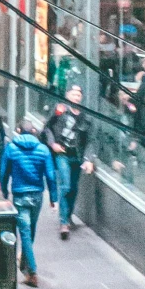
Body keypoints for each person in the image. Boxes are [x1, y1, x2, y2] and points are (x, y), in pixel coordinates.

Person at [0, 116, 57, 287]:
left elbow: (4, 173)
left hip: (19, 195)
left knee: (24, 232)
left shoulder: (11, 148)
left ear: (18, 131)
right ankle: (25, 263)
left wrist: (4, 191)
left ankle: (31, 272)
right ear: (33, 131)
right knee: (30, 231)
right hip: (37, 195)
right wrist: (53, 198)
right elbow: (51, 176)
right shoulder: (43, 150)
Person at [45, 84, 95, 237]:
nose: (76, 97)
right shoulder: (60, 110)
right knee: (65, 186)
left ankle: (68, 216)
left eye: (79, 95)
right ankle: (63, 222)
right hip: (62, 153)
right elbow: (47, 127)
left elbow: (90, 140)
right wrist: (53, 144)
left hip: (77, 155)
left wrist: (88, 159)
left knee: (73, 188)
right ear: (67, 96)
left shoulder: (85, 116)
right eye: (74, 94)